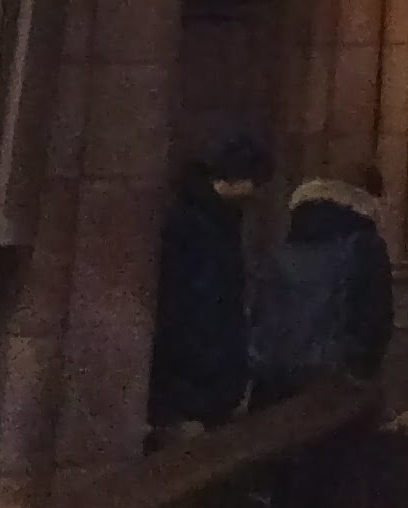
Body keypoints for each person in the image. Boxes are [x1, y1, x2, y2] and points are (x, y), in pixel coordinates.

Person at [148, 131, 269, 438]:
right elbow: (184, 303)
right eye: (257, 183)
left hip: (209, 373)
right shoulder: (196, 222)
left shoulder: (219, 218)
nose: (258, 195)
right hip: (192, 376)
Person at [249, 165, 395, 408]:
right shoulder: (365, 246)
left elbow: (261, 316)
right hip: (334, 386)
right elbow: (374, 320)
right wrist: (362, 370)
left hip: (274, 382)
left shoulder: (288, 245)